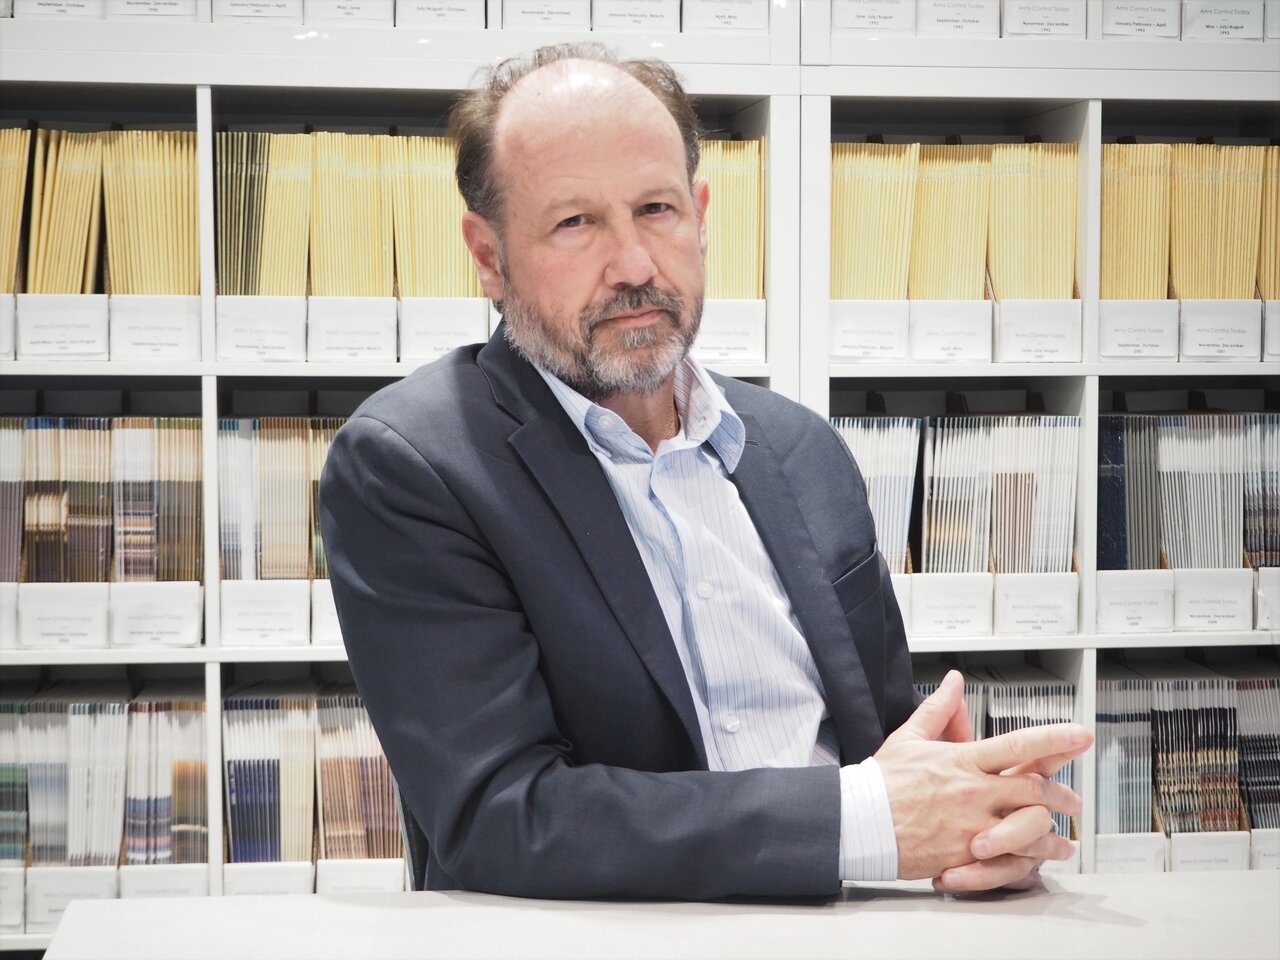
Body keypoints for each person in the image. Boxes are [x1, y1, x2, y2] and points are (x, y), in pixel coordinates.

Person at [318, 43, 1091, 901]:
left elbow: (889, 755)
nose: (635, 266)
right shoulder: (414, 465)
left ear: (702, 215)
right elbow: (500, 817)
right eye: (575, 223)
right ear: (489, 255)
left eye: (657, 209)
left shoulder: (800, 449)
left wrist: (977, 823)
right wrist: (864, 822)